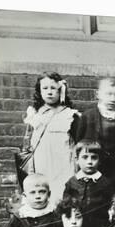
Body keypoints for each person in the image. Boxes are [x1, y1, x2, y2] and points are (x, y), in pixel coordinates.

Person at [23, 72, 80, 205]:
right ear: (39, 91)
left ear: (61, 90)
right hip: (41, 168)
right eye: (45, 88)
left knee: (62, 201)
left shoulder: (70, 116)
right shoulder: (34, 115)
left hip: (64, 168)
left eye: (53, 88)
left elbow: (78, 146)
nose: (49, 92)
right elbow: (28, 146)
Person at [74, 78, 115, 186]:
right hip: (92, 166)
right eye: (108, 94)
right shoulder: (88, 116)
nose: (112, 99)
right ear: (98, 94)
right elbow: (79, 141)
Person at [63, 140, 115, 227]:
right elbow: (65, 207)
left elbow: (112, 206)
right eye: (85, 157)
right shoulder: (72, 182)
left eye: (94, 157)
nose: (89, 162)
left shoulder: (105, 183)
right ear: (77, 160)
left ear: (100, 160)